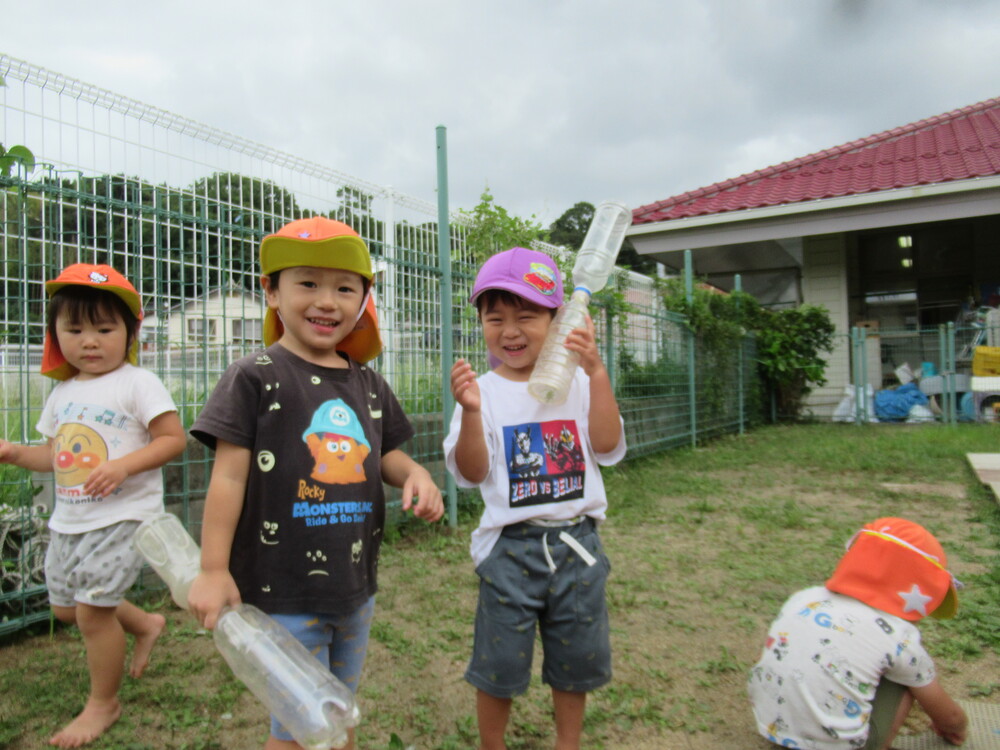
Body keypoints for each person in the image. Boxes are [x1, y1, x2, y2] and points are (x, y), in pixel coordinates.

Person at [186, 216, 444, 750]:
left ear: (363, 300)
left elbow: (384, 454)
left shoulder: (369, 382)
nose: (327, 301)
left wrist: (415, 473)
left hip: (354, 589)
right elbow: (229, 477)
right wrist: (212, 569)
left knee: (334, 717)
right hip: (281, 592)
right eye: (307, 283)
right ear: (272, 291)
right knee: (299, 727)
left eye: (345, 288)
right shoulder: (253, 376)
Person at [443, 247, 626, 750]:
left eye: (527, 316)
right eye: (495, 317)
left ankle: (569, 743)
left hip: (579, 547)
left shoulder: (578, 383)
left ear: (557, 318)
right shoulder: (482, 392)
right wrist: (473, 413)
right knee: (497, 663)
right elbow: (473, 472)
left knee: (577, 659)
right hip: (510, 551)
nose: (510, 330)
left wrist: (598, 374)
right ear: (481, 322)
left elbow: (608, 447)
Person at [0, 263, 186, 748]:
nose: (89, 341)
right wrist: (18, 454)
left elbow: (172, 440)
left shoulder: (137, 383)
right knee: (66, 609)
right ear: (55, 335)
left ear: (129, 332)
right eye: (74, 329)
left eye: (104, 329)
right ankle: (146, 624)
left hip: (124, 518)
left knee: (91, 615)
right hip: (70, 521)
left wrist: (124, 466)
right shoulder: (63, 392)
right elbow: (56, 457)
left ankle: (104, 702)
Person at [748, 516, 969, 749]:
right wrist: (956, 726)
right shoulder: (899, 635)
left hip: (772, 728)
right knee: (906, 678)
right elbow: (951, 718)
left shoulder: (805, 597)